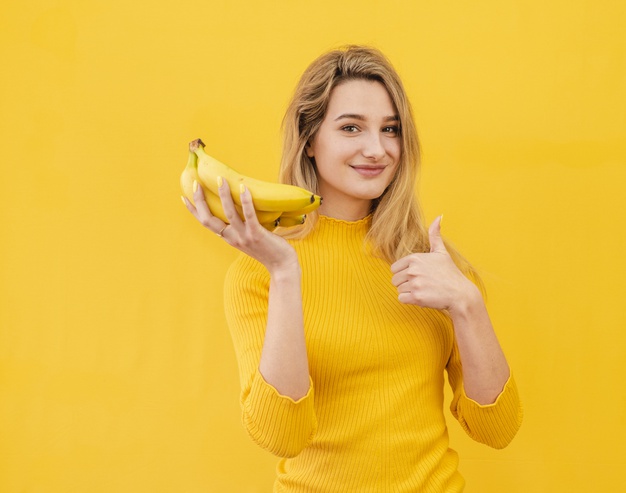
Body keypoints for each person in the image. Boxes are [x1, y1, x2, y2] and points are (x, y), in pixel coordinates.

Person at [182, 45, 522, 492]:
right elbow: (280, 435)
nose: (377, 149)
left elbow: (497, 431)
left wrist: (468, 305)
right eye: (351, 128)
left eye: (390, 129)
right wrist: (286, 273)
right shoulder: (258, 276)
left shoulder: (435, 266)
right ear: (309, 139)